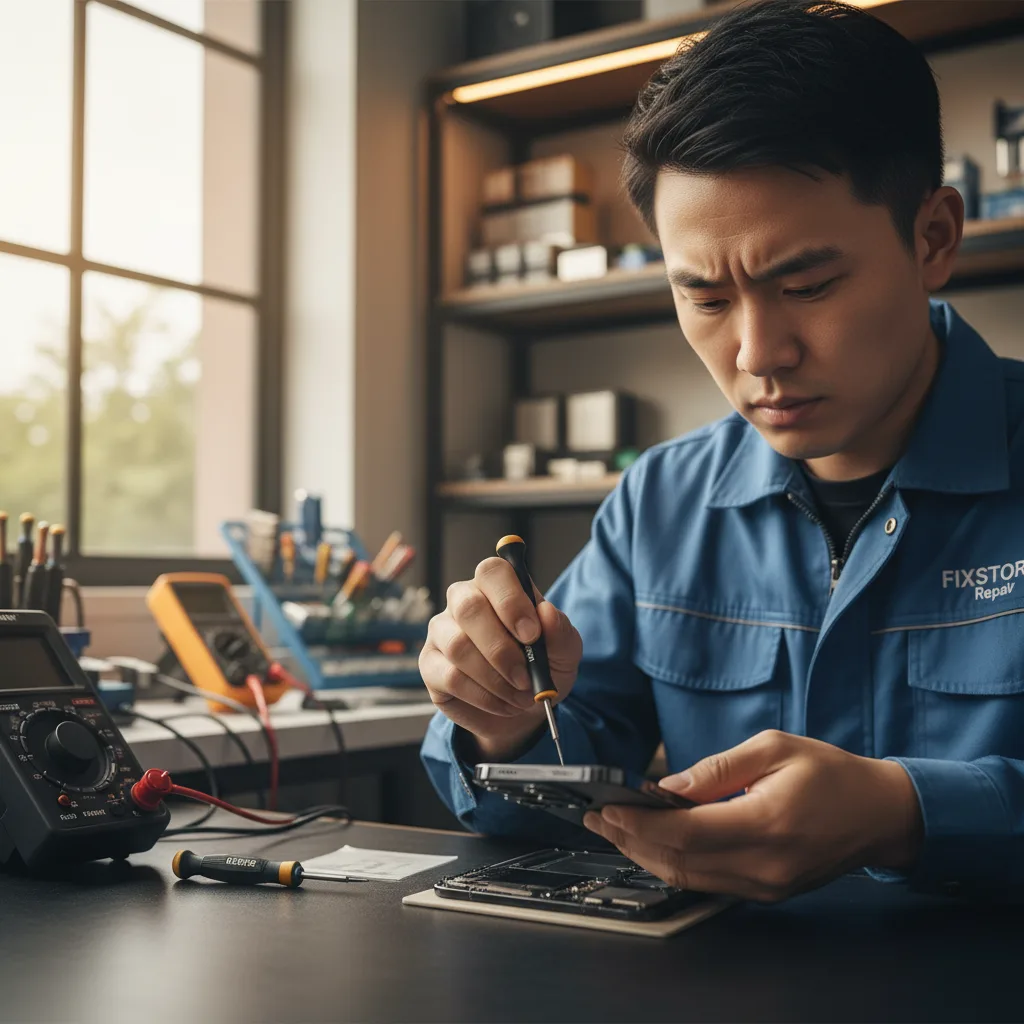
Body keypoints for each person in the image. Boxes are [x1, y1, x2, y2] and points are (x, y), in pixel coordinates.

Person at [420, 0, 1024, 902]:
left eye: (808, 285)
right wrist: (501, 723)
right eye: (705, 299)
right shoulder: (659, 502)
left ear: (933, 236)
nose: (756, 355)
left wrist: (910, 812)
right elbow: (553, 781)